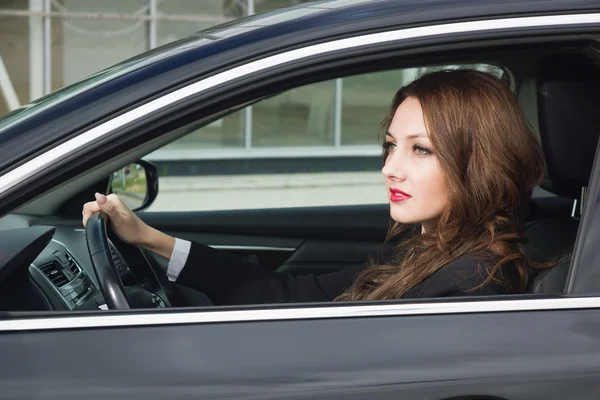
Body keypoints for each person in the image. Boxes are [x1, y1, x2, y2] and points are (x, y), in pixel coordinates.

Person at [82, 69, 546, 306]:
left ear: (478, 162)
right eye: (390, 146)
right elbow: (291, 293)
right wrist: (149, 239)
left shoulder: (468, 284)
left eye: (420, 149)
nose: (389, 168)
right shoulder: (433, 250)